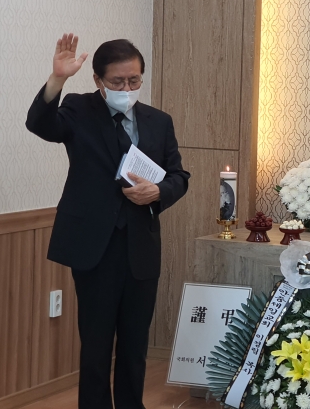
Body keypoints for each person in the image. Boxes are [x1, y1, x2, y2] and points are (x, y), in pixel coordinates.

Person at [26, 33, 190, 408]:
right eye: (117, 82)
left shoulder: (158, 121)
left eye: (134, 80)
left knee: (134, 346)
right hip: (94, 247)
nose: (127, 89)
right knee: (96, 346)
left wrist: (158, 191)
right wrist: (57, 78)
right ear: (98, 80)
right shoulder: (78, 109)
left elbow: (179, 176)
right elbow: (39, 124)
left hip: (140, 247)